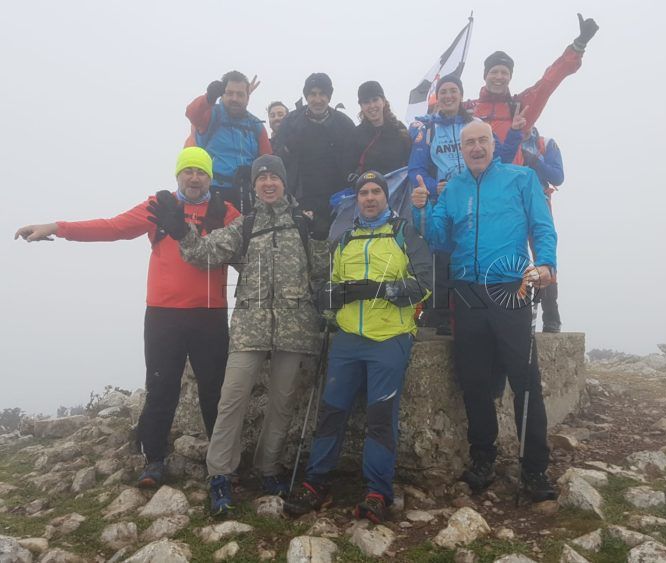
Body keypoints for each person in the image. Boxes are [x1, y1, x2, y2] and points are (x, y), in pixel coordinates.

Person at [15, 147, 240, 488]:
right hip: (164, 314)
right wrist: (58, 227)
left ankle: (221, 465)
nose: (194, 178)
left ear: (210, 177)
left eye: (201, 172)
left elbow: (248, 248)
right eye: (188, 171)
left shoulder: (224, 211)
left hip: (210, 314)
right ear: (178, 174)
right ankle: (154, 460)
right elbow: (113, 227)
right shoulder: (161, 206)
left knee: (215, 391)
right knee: (161, 388)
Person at [148, 154, 327, 515]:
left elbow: (323, 272)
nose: (268, 183)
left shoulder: (302, 224)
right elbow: (204, 253)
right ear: (255, 186)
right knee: (231, 401)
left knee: (282, 403)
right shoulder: (244, 226)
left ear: (284, 182)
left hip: (296, 328)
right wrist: (182, 231)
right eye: (262, 178)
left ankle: (268, 467)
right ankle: (220, 474)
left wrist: (323, 237)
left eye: (274, 177)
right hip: (249, 328)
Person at [411, 121, 558, 502]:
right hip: (467, 291)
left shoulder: (521, 178)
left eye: (482, 141)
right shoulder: (454, 188)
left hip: (510, 286)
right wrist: (423, 210)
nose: (476, 147)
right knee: (474, 380)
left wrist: (546, 262)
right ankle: (483, 457)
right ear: (460, 150)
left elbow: (542, 226)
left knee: (524, 379)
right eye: (469, 143)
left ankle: (534, 467)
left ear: (493, 144)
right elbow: (439, 238)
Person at [283, 171, 432, 523]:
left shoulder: (403, 233)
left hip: (390, 337)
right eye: (364, 192)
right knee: (331, 411)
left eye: (376, 191)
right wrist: (328, 299)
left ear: (386, 197)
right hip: (348, 338)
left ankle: (378, 491)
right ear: (357, 200)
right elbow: (331, 285)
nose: (370, 197)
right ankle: (316, 483)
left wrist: (382, 290)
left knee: (380, 416)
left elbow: (426, 283)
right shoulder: (345, 239)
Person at [408, 75, 525, 335]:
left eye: (453, 91)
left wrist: (515, 133)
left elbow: (500, 156)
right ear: (438, 97)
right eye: (443, 91)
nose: (448, 96)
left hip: (478, 197)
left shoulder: (476, 126)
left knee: (472, 253)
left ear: (461, 95)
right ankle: (441, 318)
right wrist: (433, 187)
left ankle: (475, 315)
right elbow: (415, 169)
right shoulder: (427, 129)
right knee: (442, 254)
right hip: (446, 199)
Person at [465, 13, 599, 164]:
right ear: (485, 75)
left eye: (504, 73)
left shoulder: (519, 107)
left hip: (512, 177)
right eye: (494, 72)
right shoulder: (468, 109)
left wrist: (578, 46)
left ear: (510, 77)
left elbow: (548, 82)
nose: (499, 76)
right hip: (474, 177)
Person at [274, 73, 356, 239]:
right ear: (306, 96)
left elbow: (354, 160)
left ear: (329, 96)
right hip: (301, 198)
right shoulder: (291, 122)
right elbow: (278, 160)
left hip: (336, 200)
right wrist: (288, 148)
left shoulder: (344, 123)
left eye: (322, 94)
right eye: (313, 94)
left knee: (334, 245)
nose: (317, 100)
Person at [186, 71, 272, 213]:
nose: (234, 98)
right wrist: (209, 98)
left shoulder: (256, 125)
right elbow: (192, 113)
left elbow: (268, 161)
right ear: (222, 95)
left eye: (240, 94)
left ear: (248, 97)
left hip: (248, 193)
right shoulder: (211, 115)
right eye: (229, 93)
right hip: (213, 192)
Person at [521, 127, 564, 333]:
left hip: (540, 202)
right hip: (513, 204)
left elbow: (558, 177)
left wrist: (536, 160)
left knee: (544, 257)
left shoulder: (546, 144)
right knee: (515, 256)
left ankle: (551, 316)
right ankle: (520, 312)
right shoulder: (504, 140)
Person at [349, 81, 411, 177]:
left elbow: (410, 162)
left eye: (375, 100)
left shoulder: (399, 129)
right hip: (368, 186)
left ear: (383, 101)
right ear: (361, 106)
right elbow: (349, 169)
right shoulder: (355, 135)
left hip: (400, 185)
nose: (372, 106)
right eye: (366, 102)